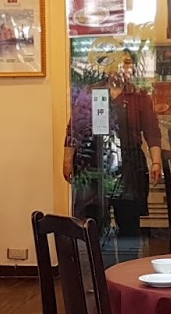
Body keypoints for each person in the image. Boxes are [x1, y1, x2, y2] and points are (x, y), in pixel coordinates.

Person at [63, 50, 162, 262]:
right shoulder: (90, 93)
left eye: (127, 62)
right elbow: (74, 128)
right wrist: (67, 159)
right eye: (118, 62)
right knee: (94, 223)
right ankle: (100, 272)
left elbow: (152, 132)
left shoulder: (139, 96)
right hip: (94, 164)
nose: (122, 67)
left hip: (129, 166)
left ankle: (126, 271)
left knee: (129, 223)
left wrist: (156, 161)